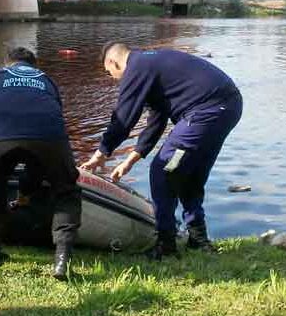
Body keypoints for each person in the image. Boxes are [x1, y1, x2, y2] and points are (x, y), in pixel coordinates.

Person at [80, 43, 242, 259]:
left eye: (110, 73)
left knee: (162, 171)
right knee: (189, 174)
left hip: (205, 112)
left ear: (113, 61)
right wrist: (129, 160)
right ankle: (198, 239)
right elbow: (156, 121)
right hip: (228, 107)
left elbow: (123, 117)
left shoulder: (136, 67)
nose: (113, 78)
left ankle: (166, 245)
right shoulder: (150, 66)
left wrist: (101, 153)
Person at [0, 47, 80, 278]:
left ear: (6, 64)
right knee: (66, 190)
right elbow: (56, 114)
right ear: (35, 65)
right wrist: (31, 184)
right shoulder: (46, 80)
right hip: (46, 136)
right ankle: (62, 260)